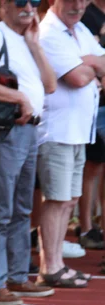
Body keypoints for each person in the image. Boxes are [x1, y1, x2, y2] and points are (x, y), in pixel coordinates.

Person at [0, 0, 56, 305]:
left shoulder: (26, 39)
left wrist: (35, 45)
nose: (28, 7)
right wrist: (18, 97)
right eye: (20, 1)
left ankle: (17, 276)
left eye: (34, 1)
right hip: (7, 130)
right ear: (1, 7)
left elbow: (49, 85)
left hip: (28, 130)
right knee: (0, 208)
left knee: (21, 207)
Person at [38, 0, 105, 288]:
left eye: (82, 0)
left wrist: (89, 63)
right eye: (70, 0)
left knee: (70, 200)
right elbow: (77, 78)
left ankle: (57, 263)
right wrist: (91, 65)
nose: (78, 6)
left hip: (78, 130)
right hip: (57, 131)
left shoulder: (78, 30)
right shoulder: (49, 33)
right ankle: (50, 266)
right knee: (57, 200)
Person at [76, 0, 105, 251]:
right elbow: (82, 60)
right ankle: (86, 227)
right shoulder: (87, 15)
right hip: (94, 104)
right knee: (92, 166)